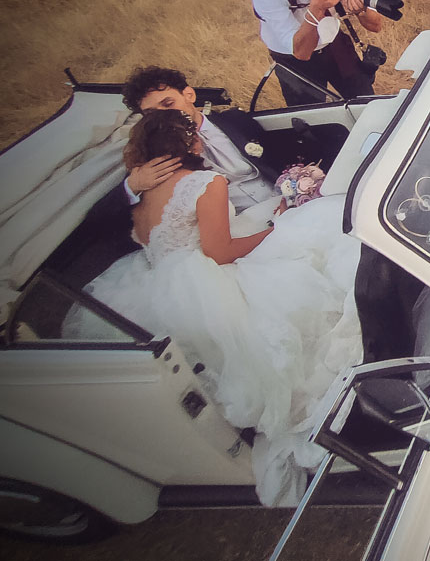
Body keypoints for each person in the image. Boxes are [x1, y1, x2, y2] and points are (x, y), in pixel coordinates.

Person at [77, 110, 364, 507]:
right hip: (207, 278)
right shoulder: (205, 182)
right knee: (306, 266)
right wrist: (274, 227)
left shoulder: (143, 192)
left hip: (157, 283)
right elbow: (219, 252)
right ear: (191, 143)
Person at [119, 66, 283, 233]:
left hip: (284, 202)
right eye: (151, 112)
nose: (163, 115)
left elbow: (280, 156)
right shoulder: (152, 151)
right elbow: (102, 218)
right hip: (238, 229)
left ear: (189, 95)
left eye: (168, 104)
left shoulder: (236, 120)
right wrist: (132, 186)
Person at [249, 0, 385, 106]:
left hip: (334, 43)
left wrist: (360, 9)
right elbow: (301, 52)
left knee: (365, 99)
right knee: (311, 116)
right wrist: (316, 8)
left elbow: (376, 26)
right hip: (294, 58)